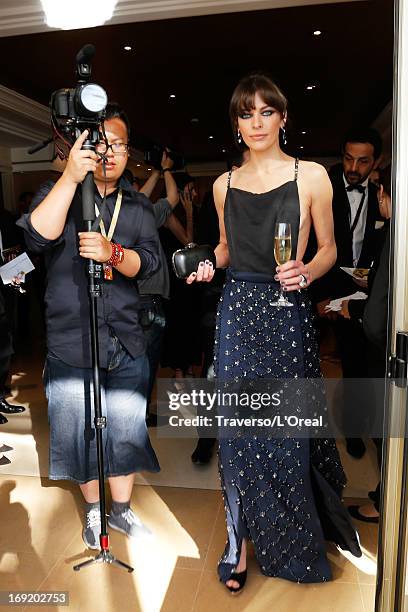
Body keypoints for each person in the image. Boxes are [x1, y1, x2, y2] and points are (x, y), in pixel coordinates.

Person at [186, 73, 361, 593]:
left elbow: (330, 248)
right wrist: (206, 266)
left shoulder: (311, 177)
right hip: (238, 310)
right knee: (238, 433)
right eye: (246, 113)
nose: (256, 122)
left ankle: (292, 539)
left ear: (284, 117)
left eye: (266, 112)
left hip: (287, 311)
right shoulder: (224, 185)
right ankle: (238, 541)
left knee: (284, 430)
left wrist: (306, 271)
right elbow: (224, 247)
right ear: (237, 124)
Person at [17, 103, 161, 549]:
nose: (111, 153)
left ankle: (120, 511)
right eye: (102, 143)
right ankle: (96, 511)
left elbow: (151, 264)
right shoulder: (54, 192)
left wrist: (114, 253)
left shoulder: (138, 206)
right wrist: (70, 178)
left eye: (119, 144)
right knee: (78, 433)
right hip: (70, 338)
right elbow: (37, 237)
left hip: (124, 335)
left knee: (125, 429)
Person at [309, 129, 389, 460]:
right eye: (348, 158)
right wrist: (316, 296)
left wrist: (375, 283)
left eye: (363, 161)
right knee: (305, 363)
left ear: (377, 162)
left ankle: (354, 431)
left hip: (361, 294)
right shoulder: (323, 185)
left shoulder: (387, 195)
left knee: (356, 368)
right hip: (321, 287)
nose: (353, 167)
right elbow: (311, 243)